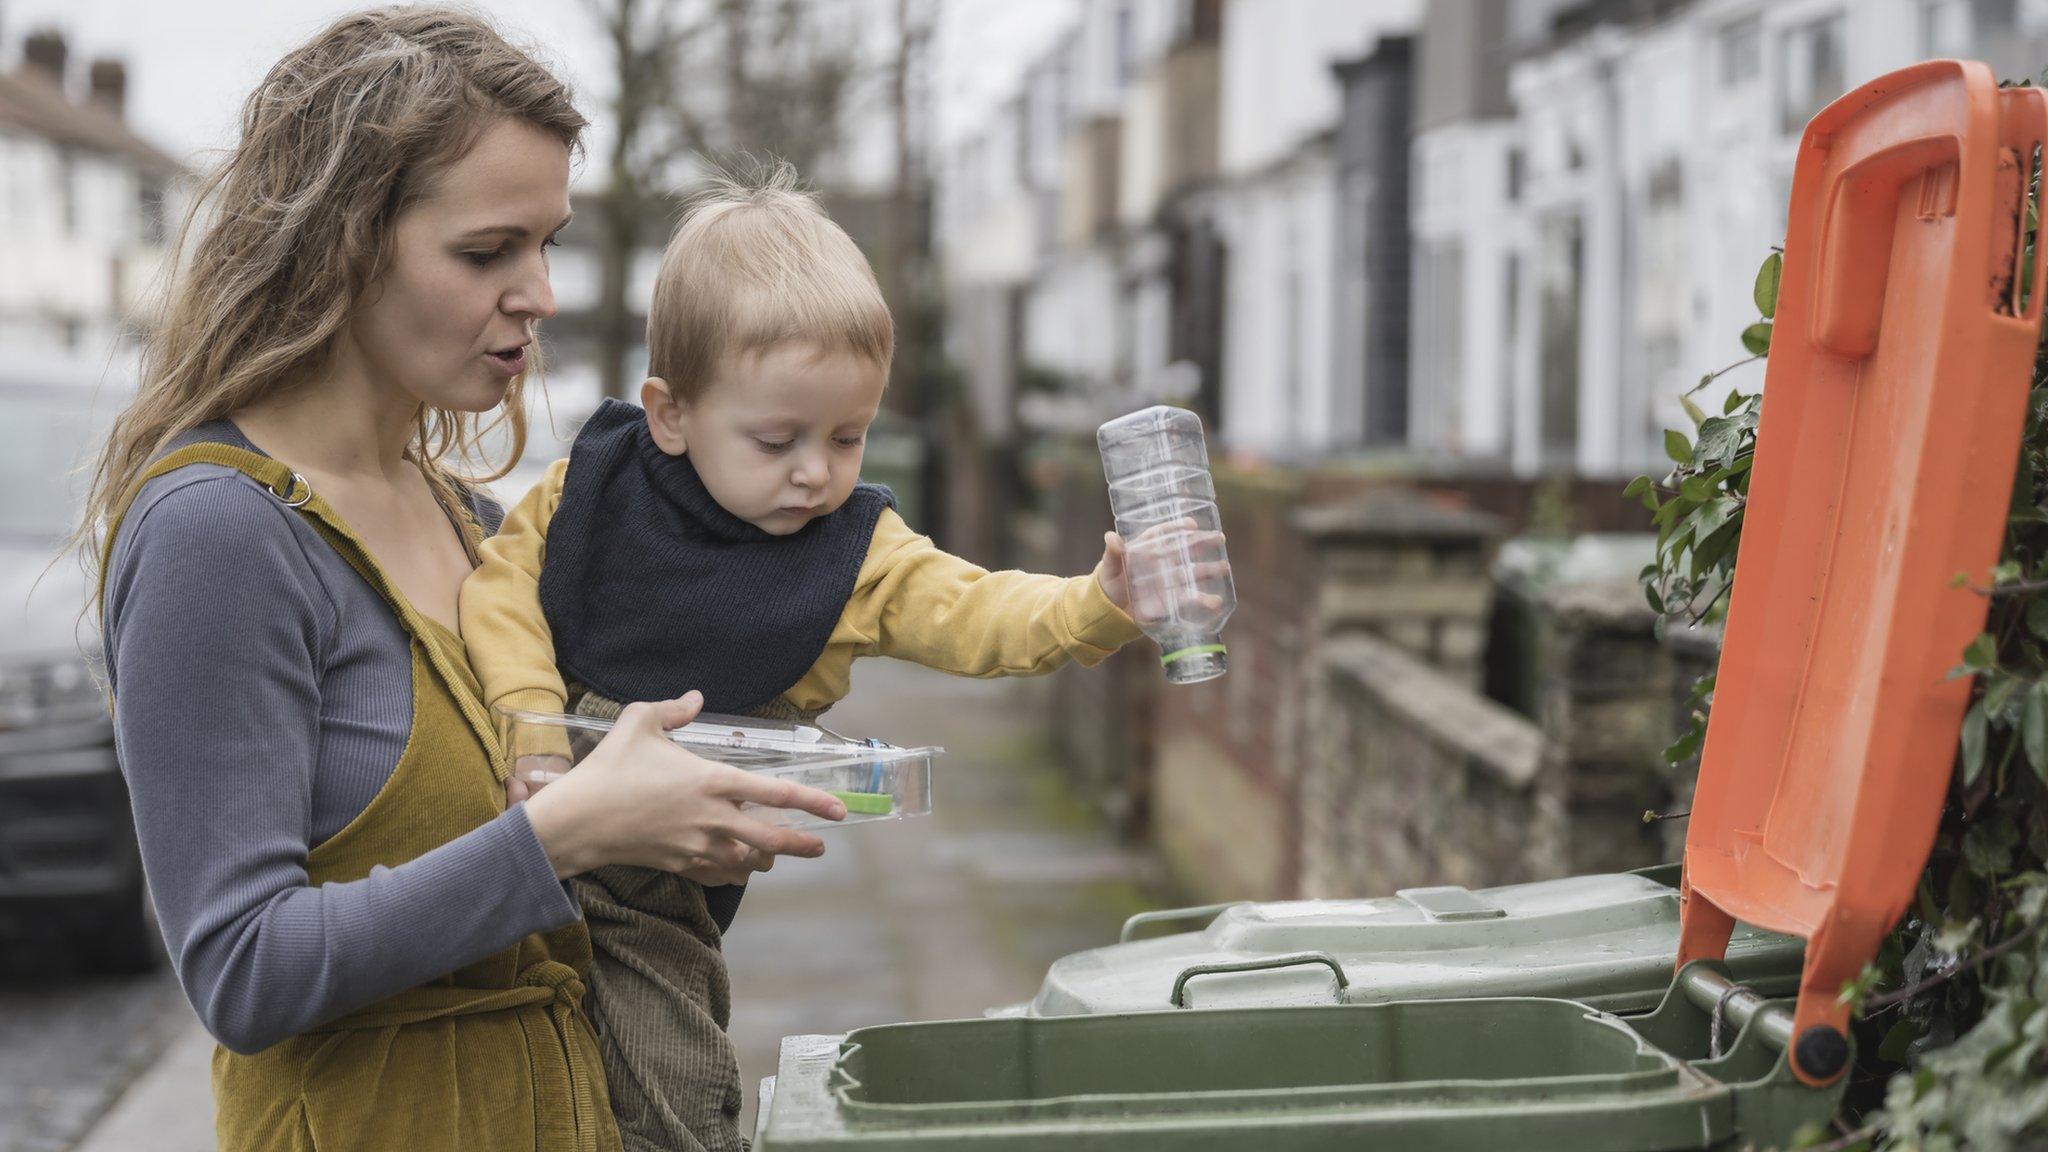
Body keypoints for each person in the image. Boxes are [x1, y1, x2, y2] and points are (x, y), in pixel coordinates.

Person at [75, 11, 844, 1150]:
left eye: (548, 243)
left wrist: (677, 826)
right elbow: (240, 971)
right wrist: (564, 837)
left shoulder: (478, 525)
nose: (535, 291)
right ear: (339, 246)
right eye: (487, 252)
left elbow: (559, 917)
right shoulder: (219, 532)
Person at [458, 164, 1161, 1151]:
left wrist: (1100, 605)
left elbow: (979, 614)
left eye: (849, 436)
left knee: (677, 1090)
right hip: (517, 819)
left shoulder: (854, 549)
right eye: (776, 437)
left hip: (655, 882)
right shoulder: (591, 485)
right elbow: (499, 591)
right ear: (670, 413)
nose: (815, 472)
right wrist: (533, 727)